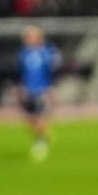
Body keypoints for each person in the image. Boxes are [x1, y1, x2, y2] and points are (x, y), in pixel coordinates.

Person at [17, 24, 59, 161]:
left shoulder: (46, 53)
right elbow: (21, 73)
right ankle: (43, 137)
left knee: (41, 117)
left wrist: (51, 89)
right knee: (30, 119)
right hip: (28, 90)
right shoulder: (23, 54)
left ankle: (42, 142)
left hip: (42, 90)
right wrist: (21, 88)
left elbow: (51, 72)